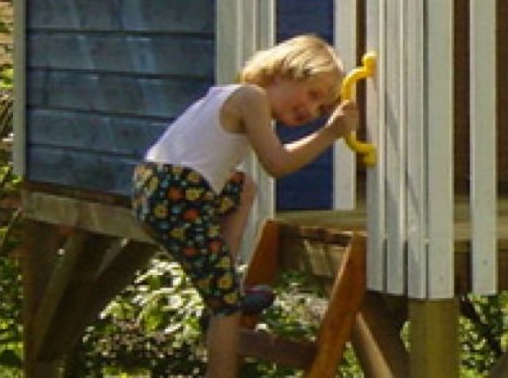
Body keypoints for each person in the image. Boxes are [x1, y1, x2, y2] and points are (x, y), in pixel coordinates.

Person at [131, 34, 359, 377]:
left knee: (243, 187)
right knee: (226, 307)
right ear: (283, 71)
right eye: (313, 95)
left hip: (164, 186)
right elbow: (277, 164)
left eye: (321, 109)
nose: (311, 111)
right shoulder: (251, 98)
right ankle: (223, 325)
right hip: (177, 192)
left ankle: (227, 280)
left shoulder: (233, 95)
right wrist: (330, 133)